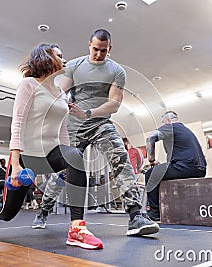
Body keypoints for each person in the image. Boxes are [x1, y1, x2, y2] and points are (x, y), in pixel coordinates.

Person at [0, 43, 103, 250]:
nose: (64, 60)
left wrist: (67, 161)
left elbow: (62, 129)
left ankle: (77, 229)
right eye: (59, 55)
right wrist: (15, 165)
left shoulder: (62, 93)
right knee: (6, 214)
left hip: (51, 153)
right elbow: (18, 123)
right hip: (26, 159)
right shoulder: (29, 85)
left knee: (76, 155)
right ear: (46, 58)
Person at [32, 29, 159, 236]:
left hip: (100, 123)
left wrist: (88, 113)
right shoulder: (74, 65)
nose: (99, 54)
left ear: (110, 49)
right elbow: (61, 93)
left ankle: (136, 215)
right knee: (65, 173)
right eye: (95, 49)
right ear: (89, 45)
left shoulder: (117, 71)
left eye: (103, 50)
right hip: (74, 126)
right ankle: (43, 210)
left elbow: (114, 103)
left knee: (120, 156)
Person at [144, 111, 207, 221]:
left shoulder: (170, 127)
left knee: (150, 174)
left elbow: (150, 138)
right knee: (162, 172)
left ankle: (154, 212)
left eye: (163, 122)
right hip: (200, 170)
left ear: (167, 121)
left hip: (185, 168)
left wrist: (152, 159)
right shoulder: (186, 130)